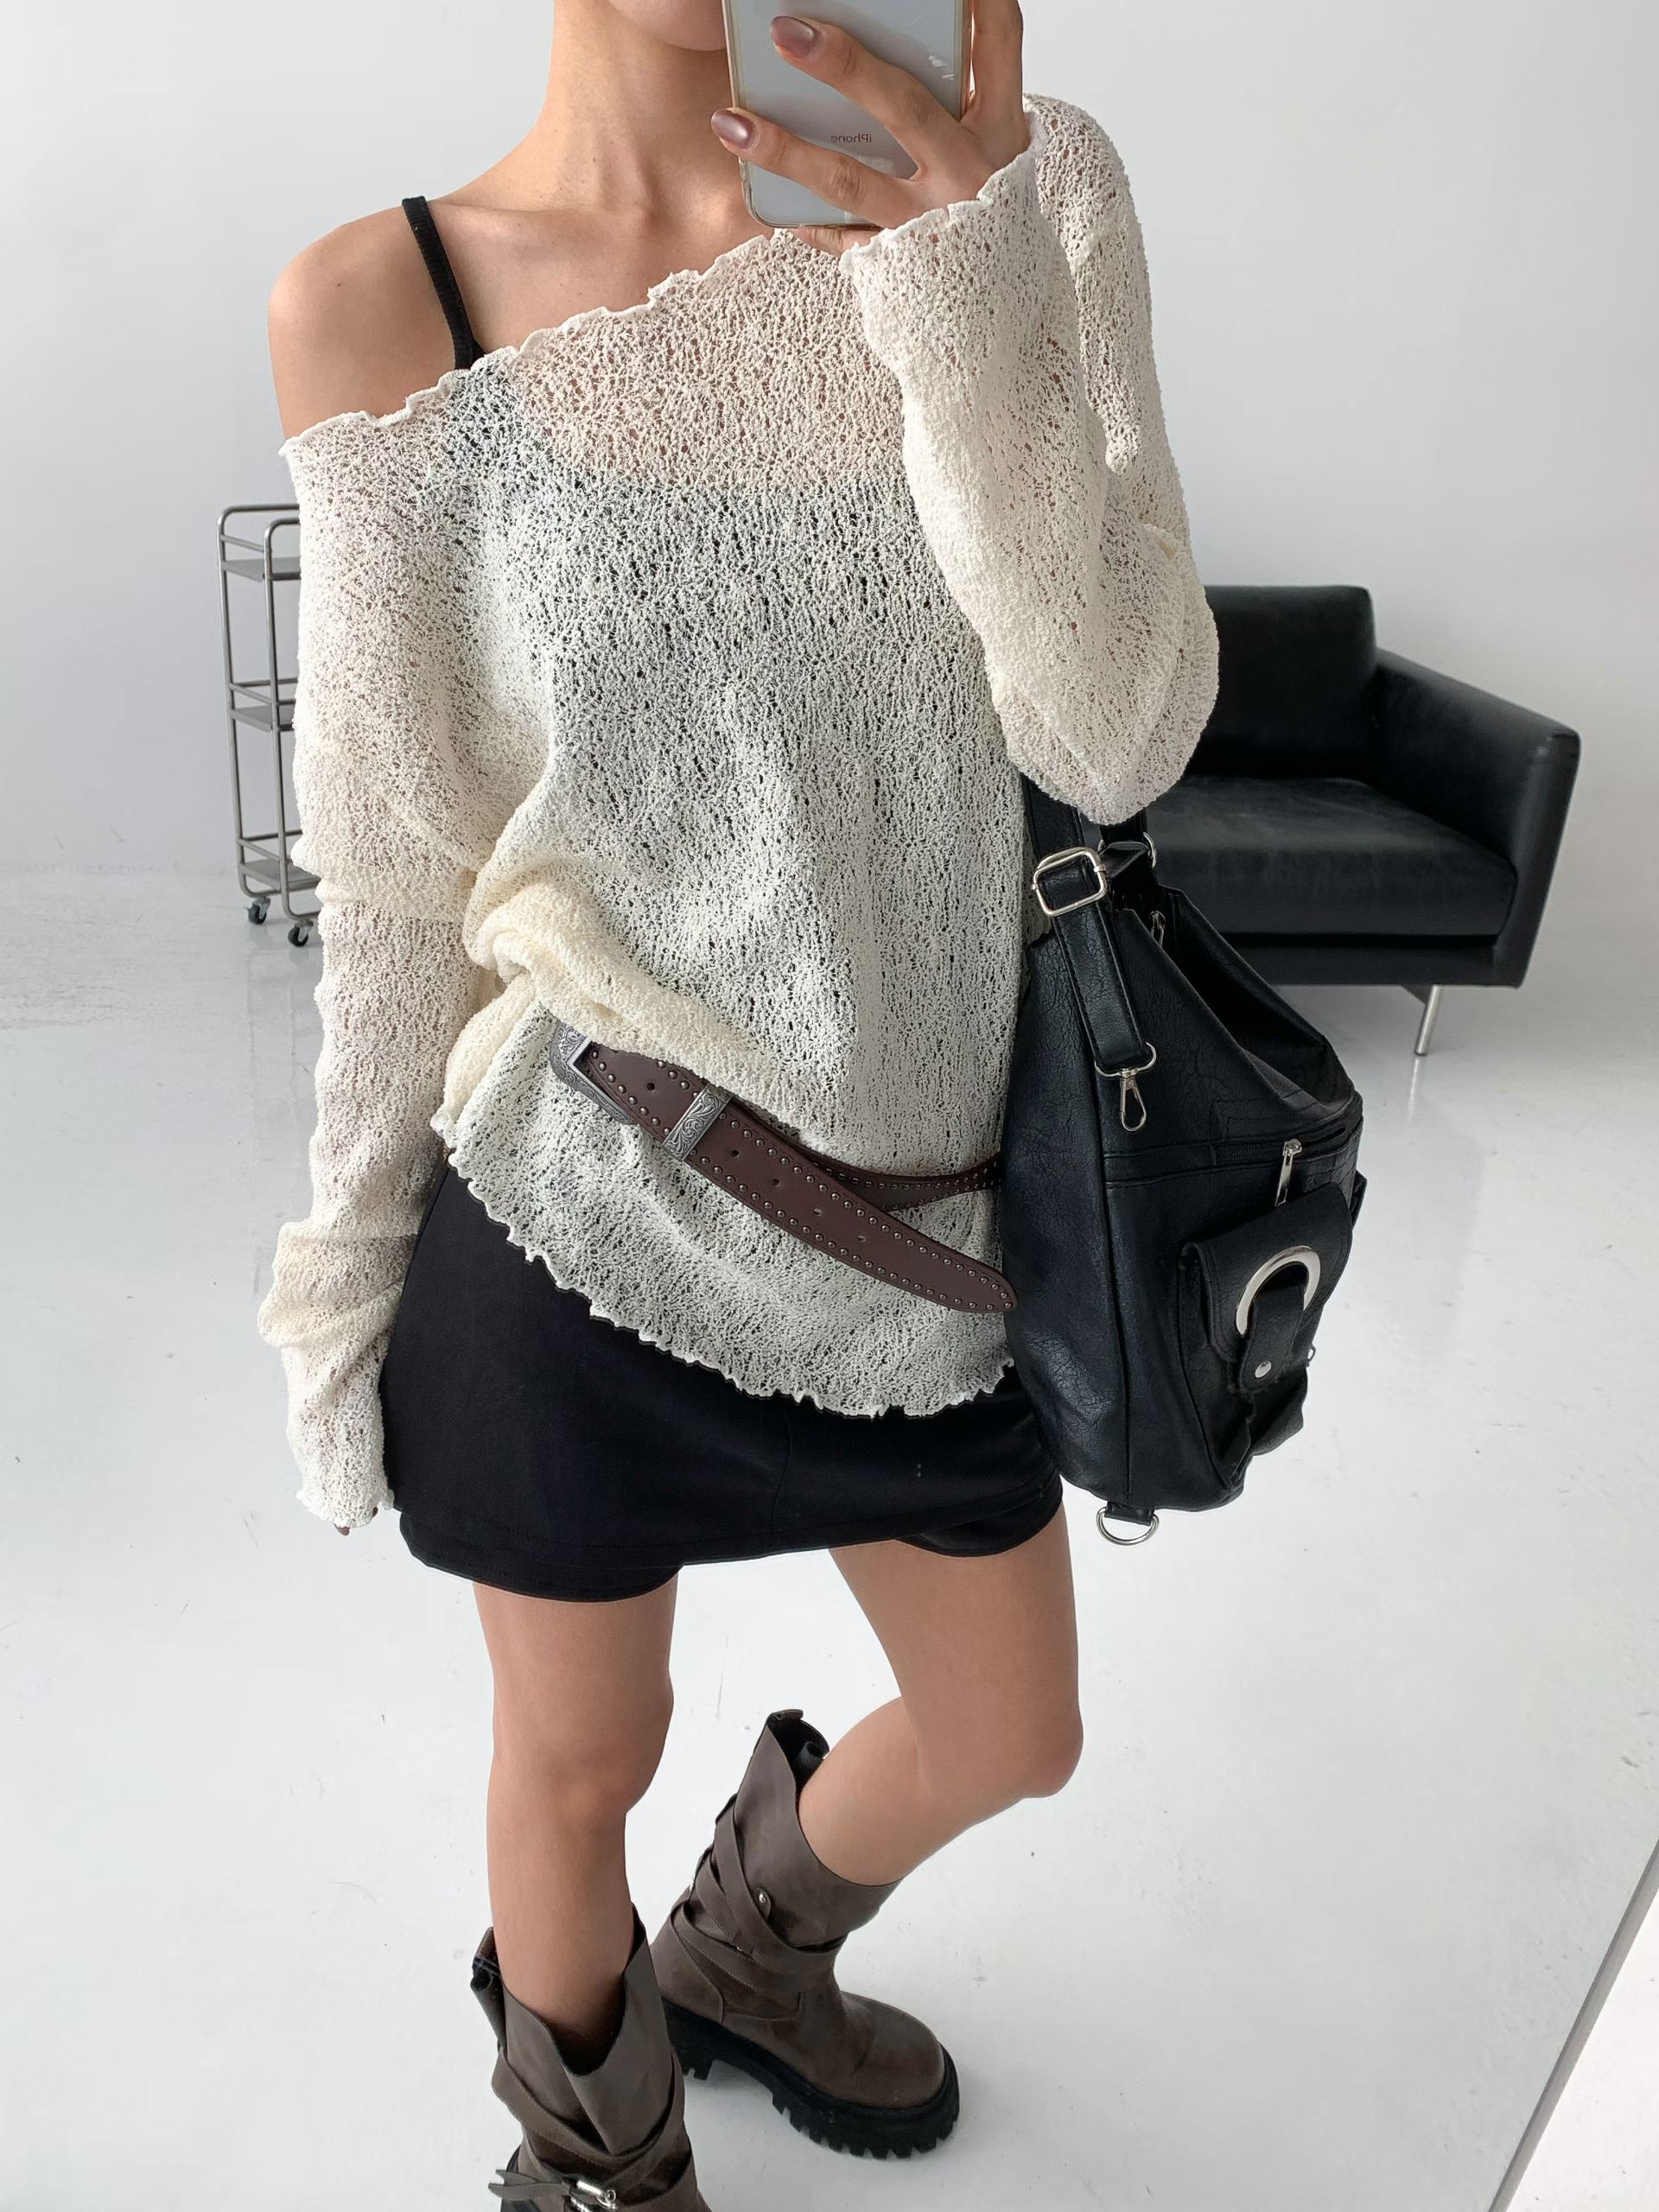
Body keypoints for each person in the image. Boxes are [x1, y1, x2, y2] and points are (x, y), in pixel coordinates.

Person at [257, 2, 1219, 2202]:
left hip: (933, 1240)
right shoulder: (380, 298)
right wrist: (342, 1271)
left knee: (1013, 1730)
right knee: (575, 1759)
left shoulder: (1030, 192)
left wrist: (961, 291)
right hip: (576, 1209)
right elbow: (397, 872)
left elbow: (1122, 727)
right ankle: (600, 2163)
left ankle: (747, 1956)